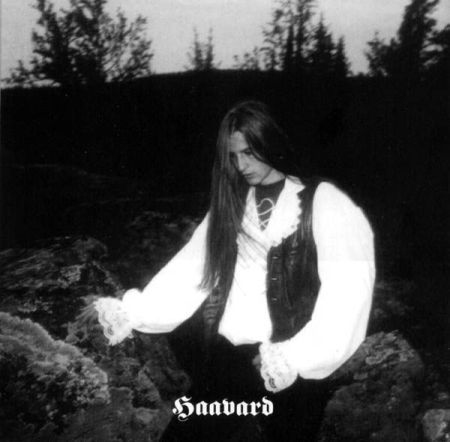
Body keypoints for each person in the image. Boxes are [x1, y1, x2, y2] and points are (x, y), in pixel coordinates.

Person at [90, 101, 375, 441]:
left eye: (249, 153)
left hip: (288, 369)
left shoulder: (322, 201)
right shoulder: (231, 205)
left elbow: (348, 289)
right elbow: (190, 270)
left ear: (269, 142)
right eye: (234, 156)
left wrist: (297, 355)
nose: (241, 166)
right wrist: (133, 312)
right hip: (229, 363)